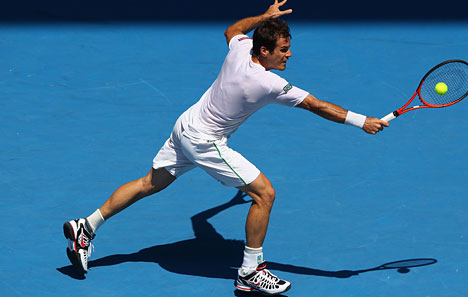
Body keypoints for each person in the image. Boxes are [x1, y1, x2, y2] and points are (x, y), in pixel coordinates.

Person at [63, 0, 388, 295]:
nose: (288, 54)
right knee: (265, 194)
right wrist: (363, 122)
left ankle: (86, 226)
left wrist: (265, 16)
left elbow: (232, 29)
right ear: (263, 52)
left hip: (186, 125)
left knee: (150, 183)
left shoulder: (240, 48)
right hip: (205, 141)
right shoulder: (269, 83)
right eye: (282, 50)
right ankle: (250, 272)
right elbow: (317, 106)